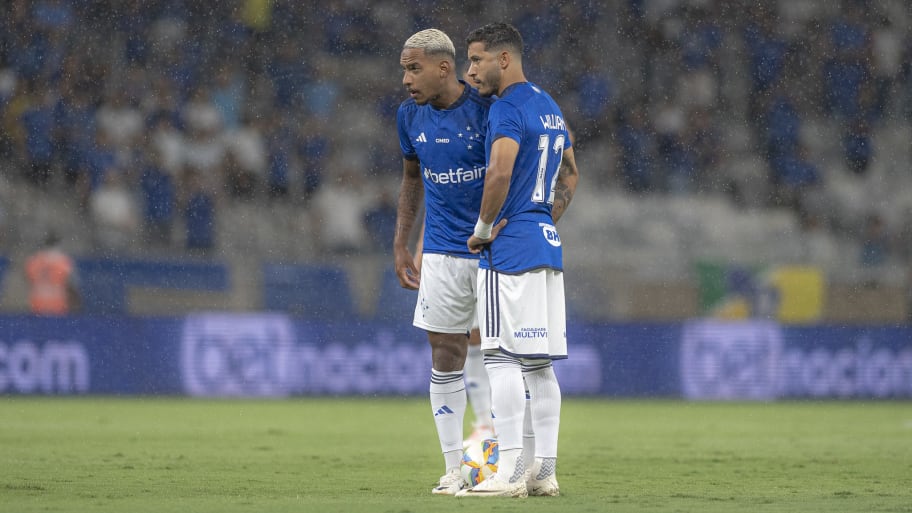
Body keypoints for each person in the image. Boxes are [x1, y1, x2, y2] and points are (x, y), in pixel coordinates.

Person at [457, 22, 580, 498]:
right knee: (539, 366)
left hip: (508, 248)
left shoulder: (505, 109)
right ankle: (543, 472)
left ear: (503, 59)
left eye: (476, 60)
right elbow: (570, 173)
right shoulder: (547, 105)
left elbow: (500, 170)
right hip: (546, 244)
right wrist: (541, 218)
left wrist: (483, 229)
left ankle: (508, 472)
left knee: (499, 358)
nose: (471, 71)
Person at [392, 28, 495, 496]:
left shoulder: (488, 109)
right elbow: (413, 180)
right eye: (404, 69)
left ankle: (515, 457)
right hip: (440, 254)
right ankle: (455, 467)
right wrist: (401, 243)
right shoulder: (408, 117)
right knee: (445, 354)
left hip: (495, 250)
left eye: (414, 68)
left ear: (442, 67)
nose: (406, 79)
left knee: (508, 355)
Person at [24, 232, 80, 315]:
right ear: (58, 244)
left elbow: (28, 279)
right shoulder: (63, 261)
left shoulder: (34, 260)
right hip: (58, 304)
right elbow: (72, 284)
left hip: (37, 303)